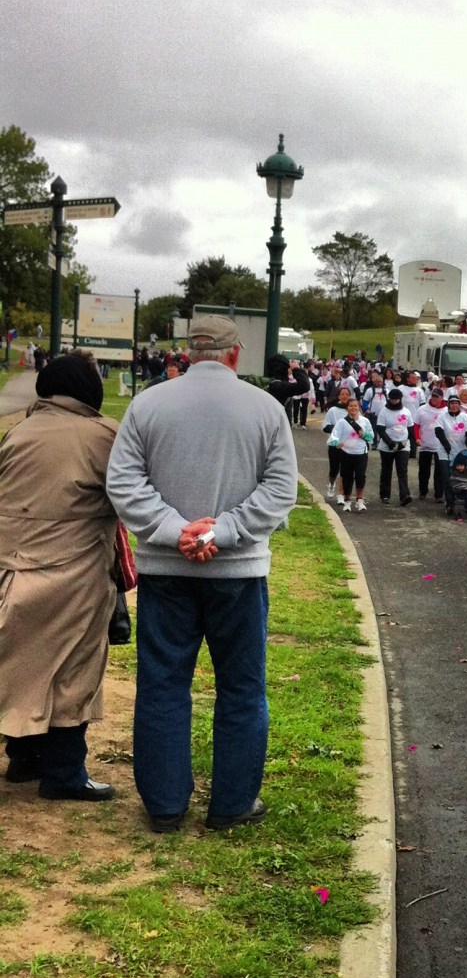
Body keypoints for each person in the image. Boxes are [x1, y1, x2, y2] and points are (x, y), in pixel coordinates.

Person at [106, 314, 298, 832]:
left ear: (188, 353)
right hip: (237, 570)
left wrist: (175, 530)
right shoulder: (265, 409)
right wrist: (223, 532)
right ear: (235, 355)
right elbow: (281, 490)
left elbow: (123, 484)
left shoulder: (147, 405)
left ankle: (165, 804)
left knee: (163, 684)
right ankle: (232, 802)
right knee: (240, 687)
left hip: (166, 568)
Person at [0, 353, 121, 801]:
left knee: (20, 664)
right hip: (73, 570)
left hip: (9, 568)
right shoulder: (102, 436)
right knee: (73, 672)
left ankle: (23, 757)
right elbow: (130, 495)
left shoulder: (19, 432)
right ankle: (65, 772)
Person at [329, 397, 374, 512]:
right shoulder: (342, 422)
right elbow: (334, 436)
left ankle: (359, 499)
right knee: (347, 477)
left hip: (361, 453)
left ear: (359, 407)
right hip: (346, 453)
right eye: (350, 406)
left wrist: (364, 435)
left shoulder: (365, 421)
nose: (353, 408)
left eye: (355, 406)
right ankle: (347, 500)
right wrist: (337, 443)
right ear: (347, 408)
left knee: (360, 476)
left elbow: (371, 437)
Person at [376, 388, 414, 506]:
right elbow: (380, 429)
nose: (394, 401)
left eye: (396, 399)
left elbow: (410, 428)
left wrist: (412, 445)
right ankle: (385, 494)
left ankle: (404, 495)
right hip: (388, 445)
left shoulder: (406, 411)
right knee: (386, 470)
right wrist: (390, 443)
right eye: (392, 399)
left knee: (402, 470)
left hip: (403, 444)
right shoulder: (384, 411)